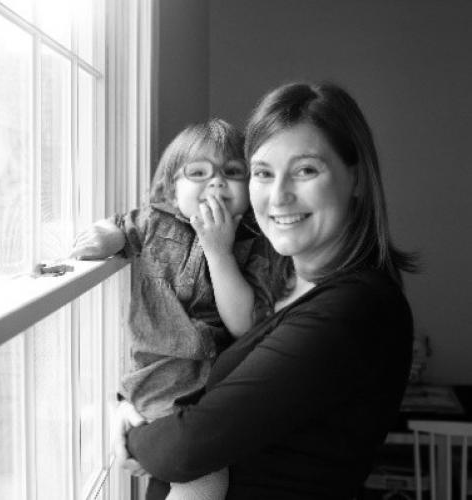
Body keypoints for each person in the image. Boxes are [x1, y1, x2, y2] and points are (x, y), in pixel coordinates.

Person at [117, 81, 416, 500]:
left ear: (356, 178)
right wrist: (132, 405)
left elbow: (185, 450)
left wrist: (131, 433)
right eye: (262, 172)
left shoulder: (354, 308)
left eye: (306, 170)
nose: (279, 196)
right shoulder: (276, 280)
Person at [72, 119, 285, 500]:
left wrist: (219, 249)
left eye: (232, 172)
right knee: (198, 478)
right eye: (199, 173)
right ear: (171, 189)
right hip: (154, 386)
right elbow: (120, 226)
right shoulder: (153, 222)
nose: (216, 183)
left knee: (205, 479)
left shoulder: (256, 242)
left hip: (211, 396)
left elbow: (244, 325)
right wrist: (104, 237)